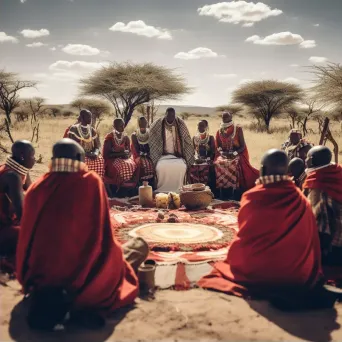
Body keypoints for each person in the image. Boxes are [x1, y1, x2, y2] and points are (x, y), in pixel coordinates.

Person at [16, 139, 148, 330]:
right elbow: (104, 237)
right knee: (138, 245)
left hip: (41, 282)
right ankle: (80, 301)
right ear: (80, 158)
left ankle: (57, 306)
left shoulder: (36, 188)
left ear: (53, 159)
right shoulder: (91, 182)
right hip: (87, 284)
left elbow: (25, 241)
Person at [198, 149, 323, 304]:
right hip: (297, 274)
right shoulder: (301, 200)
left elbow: (244, 237)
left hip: (261, 273)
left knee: (234, 256)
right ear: (287, 171)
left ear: (262, 170)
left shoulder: (253, 197)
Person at [303, 146, 342, 266]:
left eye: (307, 158)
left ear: (312, 161)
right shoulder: (337, 173)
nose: (305, 160)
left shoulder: (318, 186)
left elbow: (321, 228)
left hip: (335, 248)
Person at [0, 141, 35, 258]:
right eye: (32, 156)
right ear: (22, 156)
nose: (35, 159)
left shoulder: (21, 171)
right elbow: (22, 214)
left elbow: (33, 193)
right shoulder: (12, 176)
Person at [149, 108, 194, 192]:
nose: (171, 117)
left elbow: (187, 140)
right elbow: (153, 141)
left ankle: (179, 189)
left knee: (182, 167)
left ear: (175, 115)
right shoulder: (158, 124)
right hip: (162, 155)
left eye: (173, 115)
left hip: (177, 156)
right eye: (168, 115)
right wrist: (159, 152)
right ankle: (162, 189)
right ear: (165, 114)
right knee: (160, 167)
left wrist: (185, 154)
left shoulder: (180, 123)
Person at [214, 112, 258, 197]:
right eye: (223, 117)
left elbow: (242, 146)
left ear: (231, 117)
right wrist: (222, 152)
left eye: (227, 117)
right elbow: (218, 146)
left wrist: (234, 153)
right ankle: (222, 191)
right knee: (218, 163)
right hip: (224, 154)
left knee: (234, 163)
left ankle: (235, 191)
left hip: (236, 153)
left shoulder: (237, 129)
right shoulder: (219, 131)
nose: (225, 119)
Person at [103, 118, 137, 192]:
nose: (122, 128)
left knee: (132, 165)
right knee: (122, 167)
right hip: (111, 160)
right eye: (120, 126)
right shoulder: (110, 138)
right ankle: (120, 188)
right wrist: (121, 154)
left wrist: (127, 155)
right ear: (114, 126)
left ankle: (129, 186)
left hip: (124, 159)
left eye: (123, 125)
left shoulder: (125, 137)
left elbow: (129, 151)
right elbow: (107, 155)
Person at [68, 110, 104, 178]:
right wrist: (87, 154)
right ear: (82, 117)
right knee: (82, 161)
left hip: (90, 154)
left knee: (100, 160)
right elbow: (72, 147)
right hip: (77, 154)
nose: (90, 119)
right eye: (88, 117)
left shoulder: (92, 130)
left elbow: (96, 146)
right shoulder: (74, 129)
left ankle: (95, 181)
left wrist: (95, 153)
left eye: (91, 117)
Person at [189, 120, 216, 186]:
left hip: (208, 160)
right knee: (192, 167)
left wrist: (206, 160)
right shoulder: (194, 138)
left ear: (206, 127)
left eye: (202, 126)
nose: (199, 128)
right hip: (198, 160)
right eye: (198, 126)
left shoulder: (210, 138)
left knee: (206, 167)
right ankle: (196, 187)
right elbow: (192, 152)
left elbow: (213, 152)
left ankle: (206, 188)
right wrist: (195, 159)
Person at [131, 116, 154, 185]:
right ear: (138, 124)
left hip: (149, 154)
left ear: (147, 123)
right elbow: (136, 149)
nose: (143, 124)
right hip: (139, 155)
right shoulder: (134, 135)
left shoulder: (150, 133)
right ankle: (140, 184)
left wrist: (149, 154)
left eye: (144, 122)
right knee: (144, 163)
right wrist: (144, 155)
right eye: (141, 123)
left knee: (154, 163)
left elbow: (152, 146)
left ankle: (152, 183)